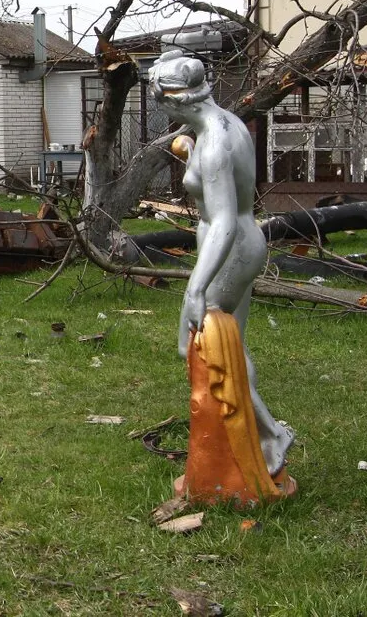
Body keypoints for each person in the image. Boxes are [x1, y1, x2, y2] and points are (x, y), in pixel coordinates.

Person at [149, 50, 294, 477]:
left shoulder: (214, 145)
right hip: (245, 242)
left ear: (177, 101)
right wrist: (188, 147)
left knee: (198, 346)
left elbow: (224, 222)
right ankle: (250, 437)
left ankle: (265, 435)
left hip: (229, 246)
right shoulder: (226, 122)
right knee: (231, 346)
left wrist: (196, 287)